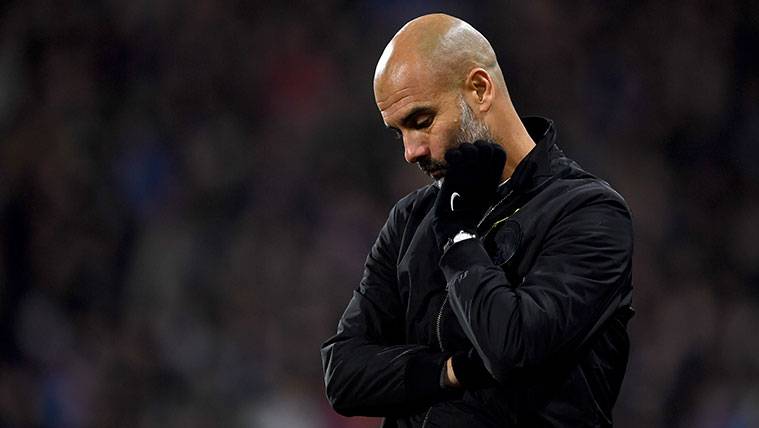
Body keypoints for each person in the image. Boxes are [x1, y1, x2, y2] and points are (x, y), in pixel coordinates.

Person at [321, 13, 634, 427]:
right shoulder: (411, 219)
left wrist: (458, 237)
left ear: (480, 89)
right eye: (399, 132)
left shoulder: (588, 213)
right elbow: (342, 373)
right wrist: (452, 370)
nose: (411, 152)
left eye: (421, 121)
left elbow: (511, 349)